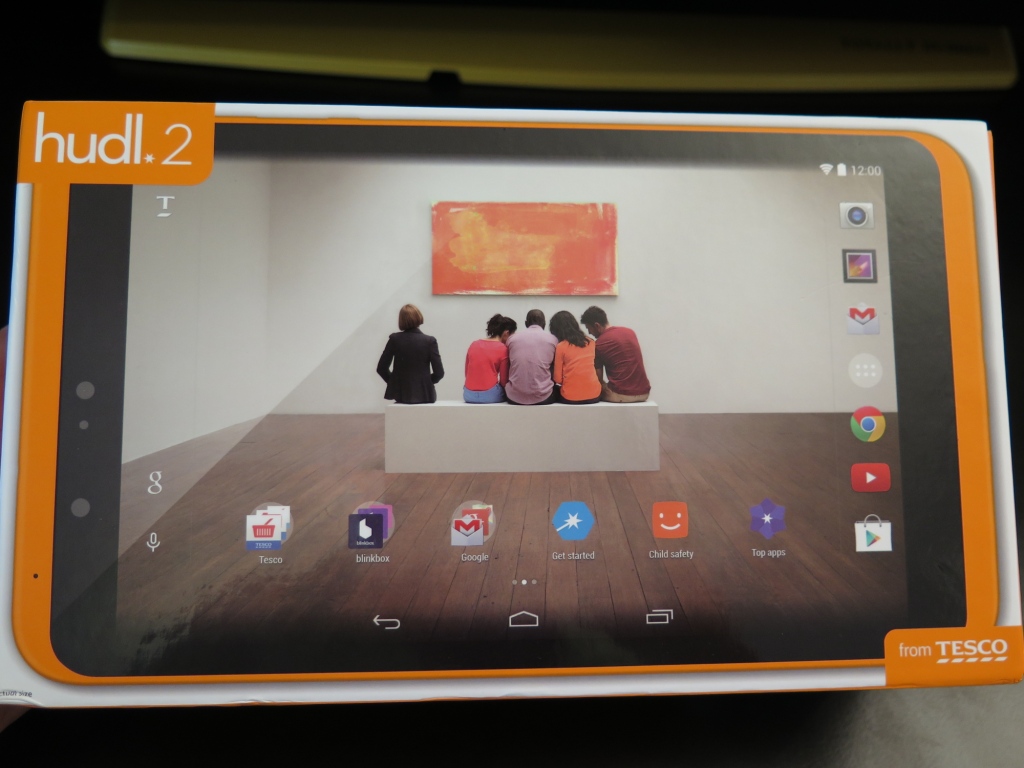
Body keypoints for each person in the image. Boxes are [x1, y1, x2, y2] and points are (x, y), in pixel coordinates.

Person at [580, 306, 651, 403]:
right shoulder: (630, 332)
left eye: (589, 328)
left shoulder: (599, 344)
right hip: (644, 393)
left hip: (621, 394)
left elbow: (597, 378)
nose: (589, 332)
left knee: (589, 391)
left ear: (597, 325)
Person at [376, 304, 444, 404]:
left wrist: (395, 383)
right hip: (425, 394)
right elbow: (439, 373)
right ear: (419, 317)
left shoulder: (394, 339)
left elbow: (381, 368)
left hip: (401, 394)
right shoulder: (429, 341)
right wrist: (426, 383)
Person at [505, 309, 559, 406]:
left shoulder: (512, 339)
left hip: (513, 397)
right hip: (544, 397)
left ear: (526, 323)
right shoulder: (553, 340)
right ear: (544, 323)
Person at [549, 310, 602, 404]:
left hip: (570, 397)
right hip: (594, 395)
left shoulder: (561, 346)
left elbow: (557, 379)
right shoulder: (591, 342)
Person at [463, 314, 517, 403]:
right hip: (490, 395)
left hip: (468, 395)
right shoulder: (503, 349)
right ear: (506, 333)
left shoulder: (474, 344)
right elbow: (504, 381)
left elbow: (467, 373)